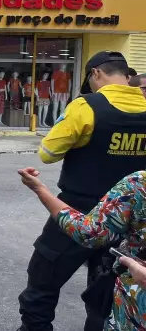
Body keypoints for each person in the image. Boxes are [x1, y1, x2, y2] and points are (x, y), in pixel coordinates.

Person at [18, 51, 146, 331]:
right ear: (127, 76)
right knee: (106, 293)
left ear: (96, 74)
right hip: (130, 222)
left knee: (43, 281)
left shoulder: (85, 106)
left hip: (77, 211)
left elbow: (48, 153)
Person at [18, 167, 146, 330]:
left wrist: (39, 189)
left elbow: (91, 233)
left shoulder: (140, 183)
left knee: (41, 284)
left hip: (136, 309)